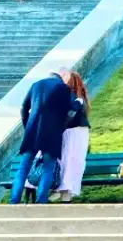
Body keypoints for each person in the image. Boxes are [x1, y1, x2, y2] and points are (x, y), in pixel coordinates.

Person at [9, 69, 77, 202]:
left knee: (23, 168)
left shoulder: (36, 85)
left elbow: (23, 108)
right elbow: (72, 111)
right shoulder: (63, 88)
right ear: (61, 78)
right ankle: (41, 203)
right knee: (47, 169)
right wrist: (62, 126)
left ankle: (14, 201)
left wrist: (27, 125)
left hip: (32, 132)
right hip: (51, 134)